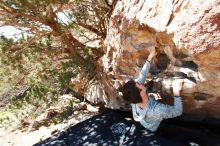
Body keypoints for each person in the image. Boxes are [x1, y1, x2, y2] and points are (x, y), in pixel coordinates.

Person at [122, 47, 183, 132]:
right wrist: (176, 92)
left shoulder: (134, 99)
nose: (140, 84)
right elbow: (177, 111)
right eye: (139, 85)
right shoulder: (158, 110)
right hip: (152, 127)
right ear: (141, 93)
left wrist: (150, 57)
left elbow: (142, 75)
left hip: (143, 119)